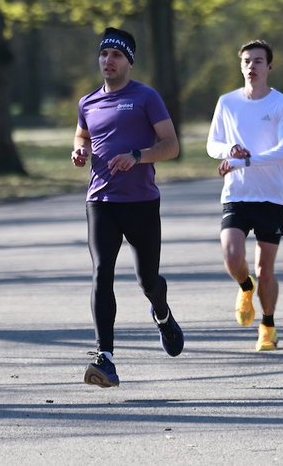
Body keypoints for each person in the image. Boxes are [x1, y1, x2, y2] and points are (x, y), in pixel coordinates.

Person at [72, 27, 183, 388]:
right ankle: (105, 357)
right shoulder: (88, 102)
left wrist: (138, 156)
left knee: (147, 280)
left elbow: (171, 146)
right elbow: (83, 133)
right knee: (101, 272)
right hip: (100, 201)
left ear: (129, 62)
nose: (108, 60)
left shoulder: (145, 97)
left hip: (141, 202)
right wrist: (80, 149)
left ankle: (162, 315)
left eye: (116, 55)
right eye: (104, 54)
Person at [206, 40, 283, 351]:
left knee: (265, 269)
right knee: (232, 256)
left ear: (269, 66)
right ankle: (246, 287)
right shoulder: (227, 102)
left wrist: (246, 161)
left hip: (271, 197)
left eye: (258, 61)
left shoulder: (281, 104)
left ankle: (268, 325)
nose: (251, 66)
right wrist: (228, 150)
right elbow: (212, 144)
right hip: (236, 193)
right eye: (246, 61)